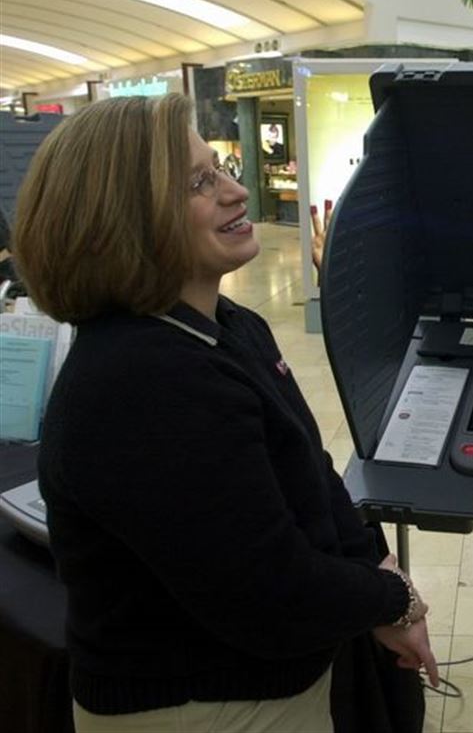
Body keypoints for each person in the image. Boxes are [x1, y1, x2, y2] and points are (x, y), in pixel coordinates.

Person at [12, 94, 438, 733]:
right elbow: (270, 593)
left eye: (220, 169)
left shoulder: (230, 326)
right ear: (122, 217)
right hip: (203, 706)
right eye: (199, 183)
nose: (237, 192)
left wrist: (378, 568)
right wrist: (394, 599)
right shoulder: (142, 381)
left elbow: (312, 473)